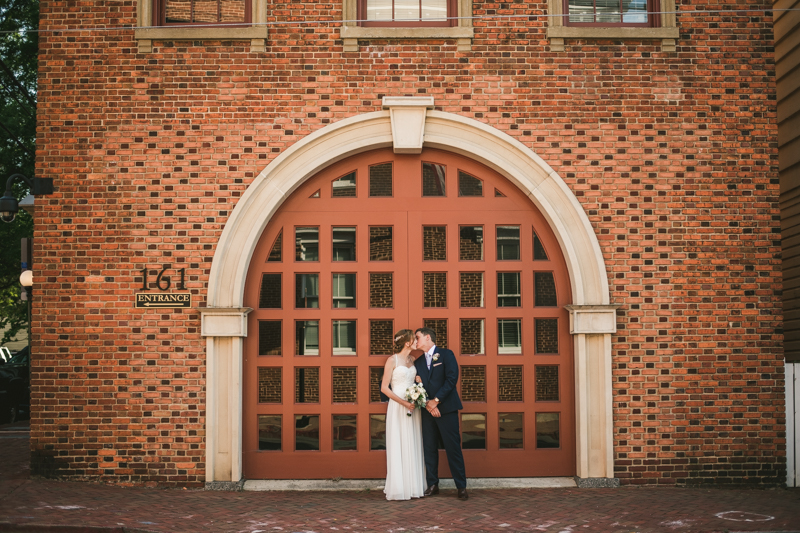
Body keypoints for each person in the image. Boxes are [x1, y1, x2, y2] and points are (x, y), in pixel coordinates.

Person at [413, 327, 468, 500]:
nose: (416, 341)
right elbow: (418, 387)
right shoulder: (418, 362)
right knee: (429, 448)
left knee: (453, 448)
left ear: (428, 337)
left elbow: (452, 378)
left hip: (447, 409)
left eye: (418, 337)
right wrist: (428, 404)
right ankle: (433, 484)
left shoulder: (446, 354)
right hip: (428, 411)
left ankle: (461, 486)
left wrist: (435, 401)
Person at [380, 329, 426, 500]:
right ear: (407, 343)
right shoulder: (392, 360)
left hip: (413, 406)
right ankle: (399, 487)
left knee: (412, 441)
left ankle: (413, 485)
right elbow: (385, 388)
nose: (416, 342)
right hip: (399, 405)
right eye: (414, 340)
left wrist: (418, 387)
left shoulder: (412, 359)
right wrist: (404, 403)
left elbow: (416, 379)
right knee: (399, 442)